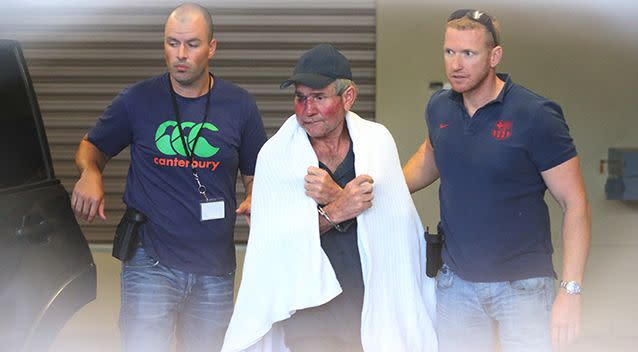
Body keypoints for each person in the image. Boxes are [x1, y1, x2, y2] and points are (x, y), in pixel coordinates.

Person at [70, 3, 267, 351]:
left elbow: (255, 177)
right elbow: (91, 147)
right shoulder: (137, 100)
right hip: (150, 261)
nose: (180, 54)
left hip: (215, 266)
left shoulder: (240, 106)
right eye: (171, 42)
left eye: (191, 44)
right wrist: (90, 172)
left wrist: (255, 198)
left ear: (212, 47)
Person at [221, 43, 437, 352]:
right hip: (310, 311)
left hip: (372, 306)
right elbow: (272, 244)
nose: (307, 110)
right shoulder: (276, 155)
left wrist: (335, 193)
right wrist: (337, 209)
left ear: (347, 97)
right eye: (299, 98)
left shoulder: (377, 142)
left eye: (319, 97)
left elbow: (396, 227)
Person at [403, 9, 592, 352]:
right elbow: (429, 158)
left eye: (468, 53)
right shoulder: (440, 108)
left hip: (523, 288)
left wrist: (570, 291)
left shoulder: (535, 115)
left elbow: (574, 203)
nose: (456, 64)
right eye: (449, 52)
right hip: (457, 285)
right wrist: (380, 189)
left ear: (495, 56)